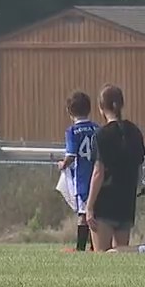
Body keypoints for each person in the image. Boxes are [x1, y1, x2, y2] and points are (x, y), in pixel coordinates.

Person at [85, 84, 145, 252]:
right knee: (122, 255)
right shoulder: (134, 132)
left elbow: (98, 172)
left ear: (100, 107)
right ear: (122, 104)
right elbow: (139, 166)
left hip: (105, 204)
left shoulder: (101, 135)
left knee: (103, 256)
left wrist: (89, 207)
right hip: (126, 203)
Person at [58, 91, 99, 252]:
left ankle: (81, 247)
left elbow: (71, 155)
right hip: (98, 175)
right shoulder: (97, 128)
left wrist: (62, 164)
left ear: (69, 111)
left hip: (82, 178)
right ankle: (94, 245)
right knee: (94, 212)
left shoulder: (72, 131)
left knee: (83, 214)